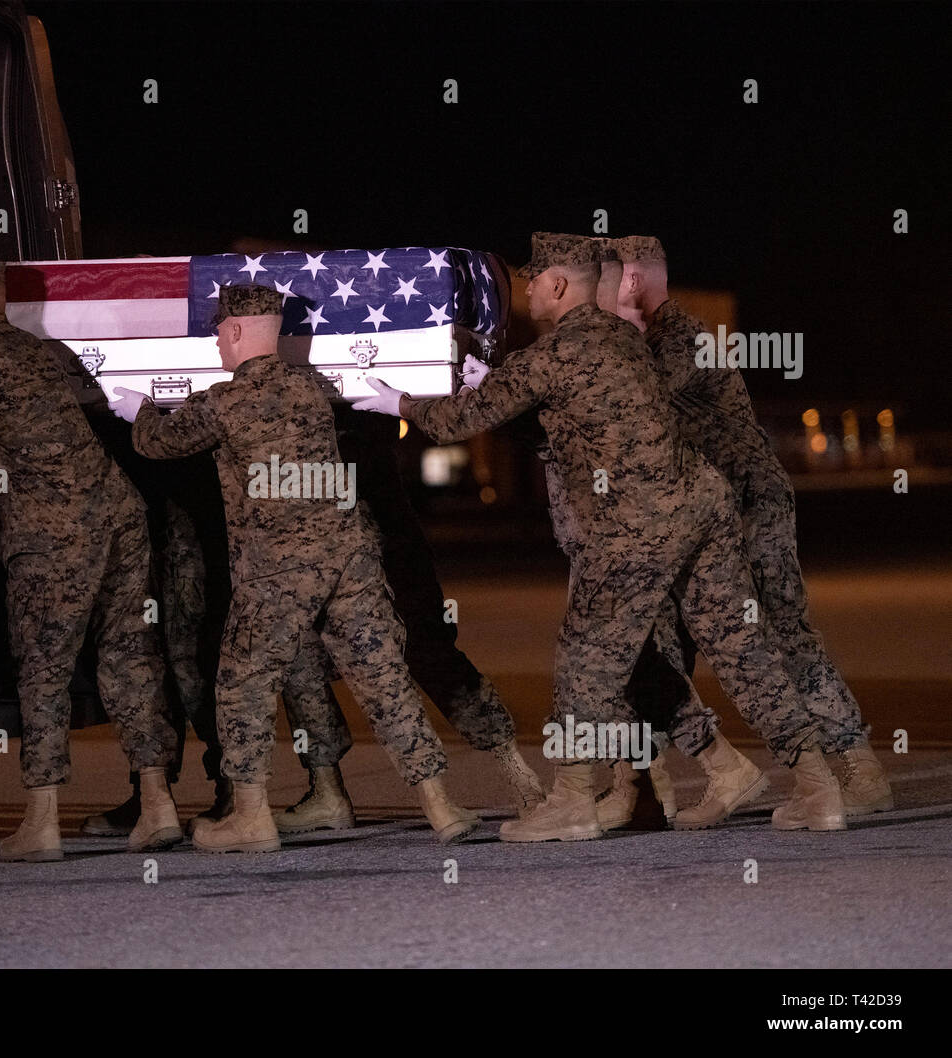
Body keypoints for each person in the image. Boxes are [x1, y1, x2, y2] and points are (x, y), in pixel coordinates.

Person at [355, 233, 847, 840]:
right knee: (742, 648)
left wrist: (395, 401)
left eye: (533, 280)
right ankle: (820, 789)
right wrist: (491, 380)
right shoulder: (621, 339)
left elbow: (458, 422)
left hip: (635, 525)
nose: (527, 290)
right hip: (700, 504)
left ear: (558, 285)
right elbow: (565, 418)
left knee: (585, 661)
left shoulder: (558, 351)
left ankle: (571, 800)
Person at [109, 283, 476, 852]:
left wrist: (140, 411)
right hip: (349, 556)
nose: (218, 346)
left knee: (241, 685)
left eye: (218, 335)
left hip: (279, 568)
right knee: (383, 680)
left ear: (232, 332)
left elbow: (160, 444)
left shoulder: (224, 399)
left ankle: (251, 819)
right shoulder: (312, 389)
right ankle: (442, 806)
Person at [615, 234, 892, 823]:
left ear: (634, 282)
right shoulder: (662, 340)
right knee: (665, 639)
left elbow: (627, 412)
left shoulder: (678, 339)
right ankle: (654, 782)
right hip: (703, 508)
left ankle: (856, 769)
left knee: (780, 635)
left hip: (746, 504)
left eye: (610, 277)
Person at [0, 257, 181, 861]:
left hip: (51, 534)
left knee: (44, 670)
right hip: (118, 512)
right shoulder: (46, 351)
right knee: (130, 657)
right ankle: (159, 804)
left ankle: (43, 821)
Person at [275, 406, 544, 834]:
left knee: (426, 652)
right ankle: (326, 789)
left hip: (376, 539)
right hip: (350, 543)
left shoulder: (335, 389)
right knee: (304, 658)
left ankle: (518, 778)